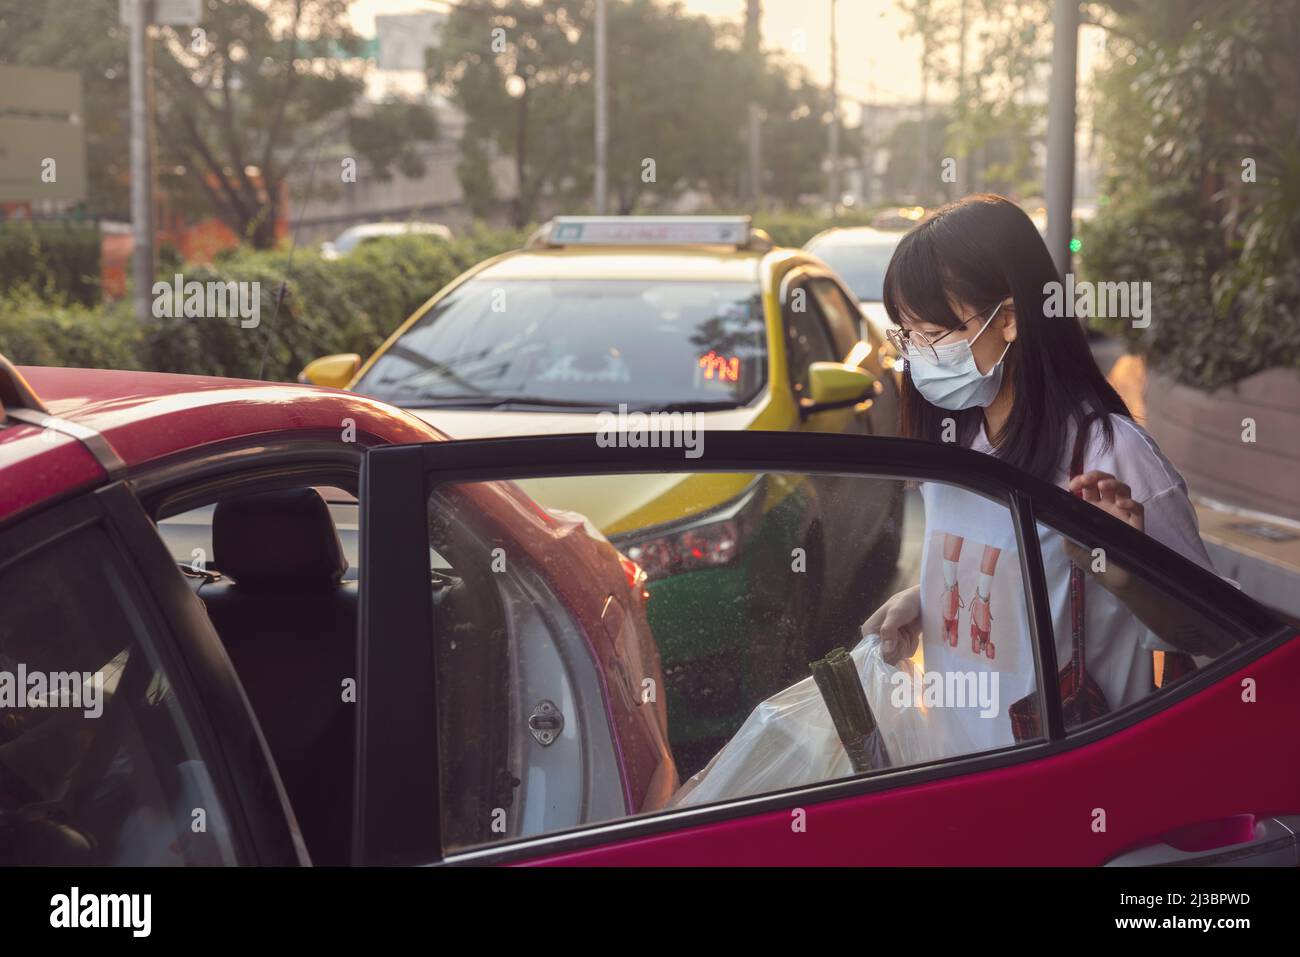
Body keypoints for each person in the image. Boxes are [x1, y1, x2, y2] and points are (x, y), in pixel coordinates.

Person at [862, 193, 1230, 753]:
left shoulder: (1109, 455)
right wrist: (925, 595)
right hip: (953, 771)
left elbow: (1217, 635)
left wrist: (1126, 574)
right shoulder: (957, 441)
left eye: (932, 335)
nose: (915, 357)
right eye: (904, 336)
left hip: (1062, 786)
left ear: (1008, 319)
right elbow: (1012, 573)